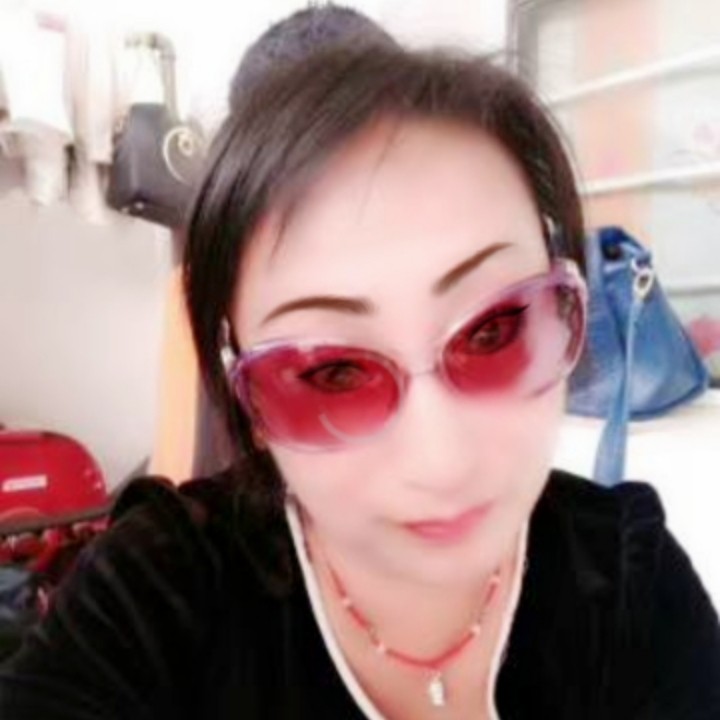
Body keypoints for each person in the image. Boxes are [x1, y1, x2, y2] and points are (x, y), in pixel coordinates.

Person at [2, 6, 719, 720]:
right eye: (332, 373)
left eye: (494, 330)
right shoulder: (156, 601)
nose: (440, 462)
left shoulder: (630, 581)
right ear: (244, 393)